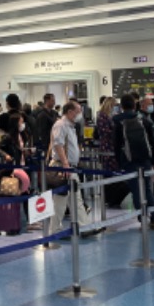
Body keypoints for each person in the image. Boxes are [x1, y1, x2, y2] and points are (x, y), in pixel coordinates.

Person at [49, 101, 100, 236]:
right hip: (63, 167)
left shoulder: (71, 126)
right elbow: (58, 145)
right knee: (60, 202)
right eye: (78, 111)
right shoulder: (60, 125)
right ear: (70, 112)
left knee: (76, 199)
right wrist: (65, 164)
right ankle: (54, 231)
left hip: (70, 167)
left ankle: (84, 227)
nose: (80, 114)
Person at [113, 94, 154, 230]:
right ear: (135, 106)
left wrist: (119, 162)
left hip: (129, 161)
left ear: (121, 106)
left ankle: (143, 219)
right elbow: (153, 142)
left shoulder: (117, 121)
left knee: (136, 191)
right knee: (147, 189)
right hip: (145, 159)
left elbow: (116, 145)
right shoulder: (144, 120)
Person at [96, 96, 119, 173]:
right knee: (109, 171)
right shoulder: (102, 116)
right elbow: (105, 132)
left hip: (110, 146)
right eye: (114, 106)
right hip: (107, 147)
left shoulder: (109, 116)